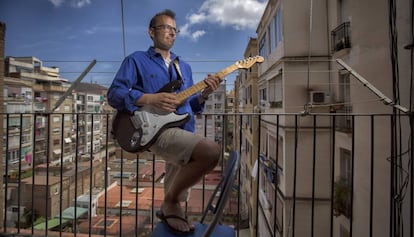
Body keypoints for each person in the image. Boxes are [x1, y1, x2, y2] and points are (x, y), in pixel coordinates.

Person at [107, 9, 221, 235]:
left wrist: (205, 94)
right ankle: (169, 203)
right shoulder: (136, 60)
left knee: (179, 200)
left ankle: (170, 211)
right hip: (153, 129)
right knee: (210, 152)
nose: (171, 33)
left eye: (174, 29)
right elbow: (114, 94)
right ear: (152, 32)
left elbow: (190, 107)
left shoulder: (184, 67)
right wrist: (150, 98)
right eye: (165, 28)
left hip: (182, 128)